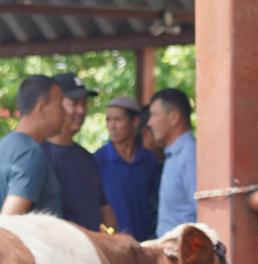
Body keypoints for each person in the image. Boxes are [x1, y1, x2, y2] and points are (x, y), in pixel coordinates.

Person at [41, 72, 114, 231]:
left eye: (84, 104)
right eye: (74, 103)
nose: (81, 111)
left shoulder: (87, 158)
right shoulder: (36, 156)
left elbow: (104, 208)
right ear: (56, 105)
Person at [0, 75, 65, 215]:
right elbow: (11, 218)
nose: (65, 112)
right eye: (60, 105)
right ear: (41, 107)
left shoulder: (6, 144)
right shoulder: (29, 152)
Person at [95, 96, 160, 241]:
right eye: (108, 120)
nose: (111, 126)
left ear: (135, 122)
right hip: (114, 246)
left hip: (147, 245)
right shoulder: (98, 160)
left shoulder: (149, 160)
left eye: (117, 120)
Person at [146, 88, 196, 237]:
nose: (149, 123)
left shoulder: (189, 155)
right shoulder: (173, 154)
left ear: (174, 117)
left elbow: (202, 211)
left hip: (183, 255)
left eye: (154, 115)